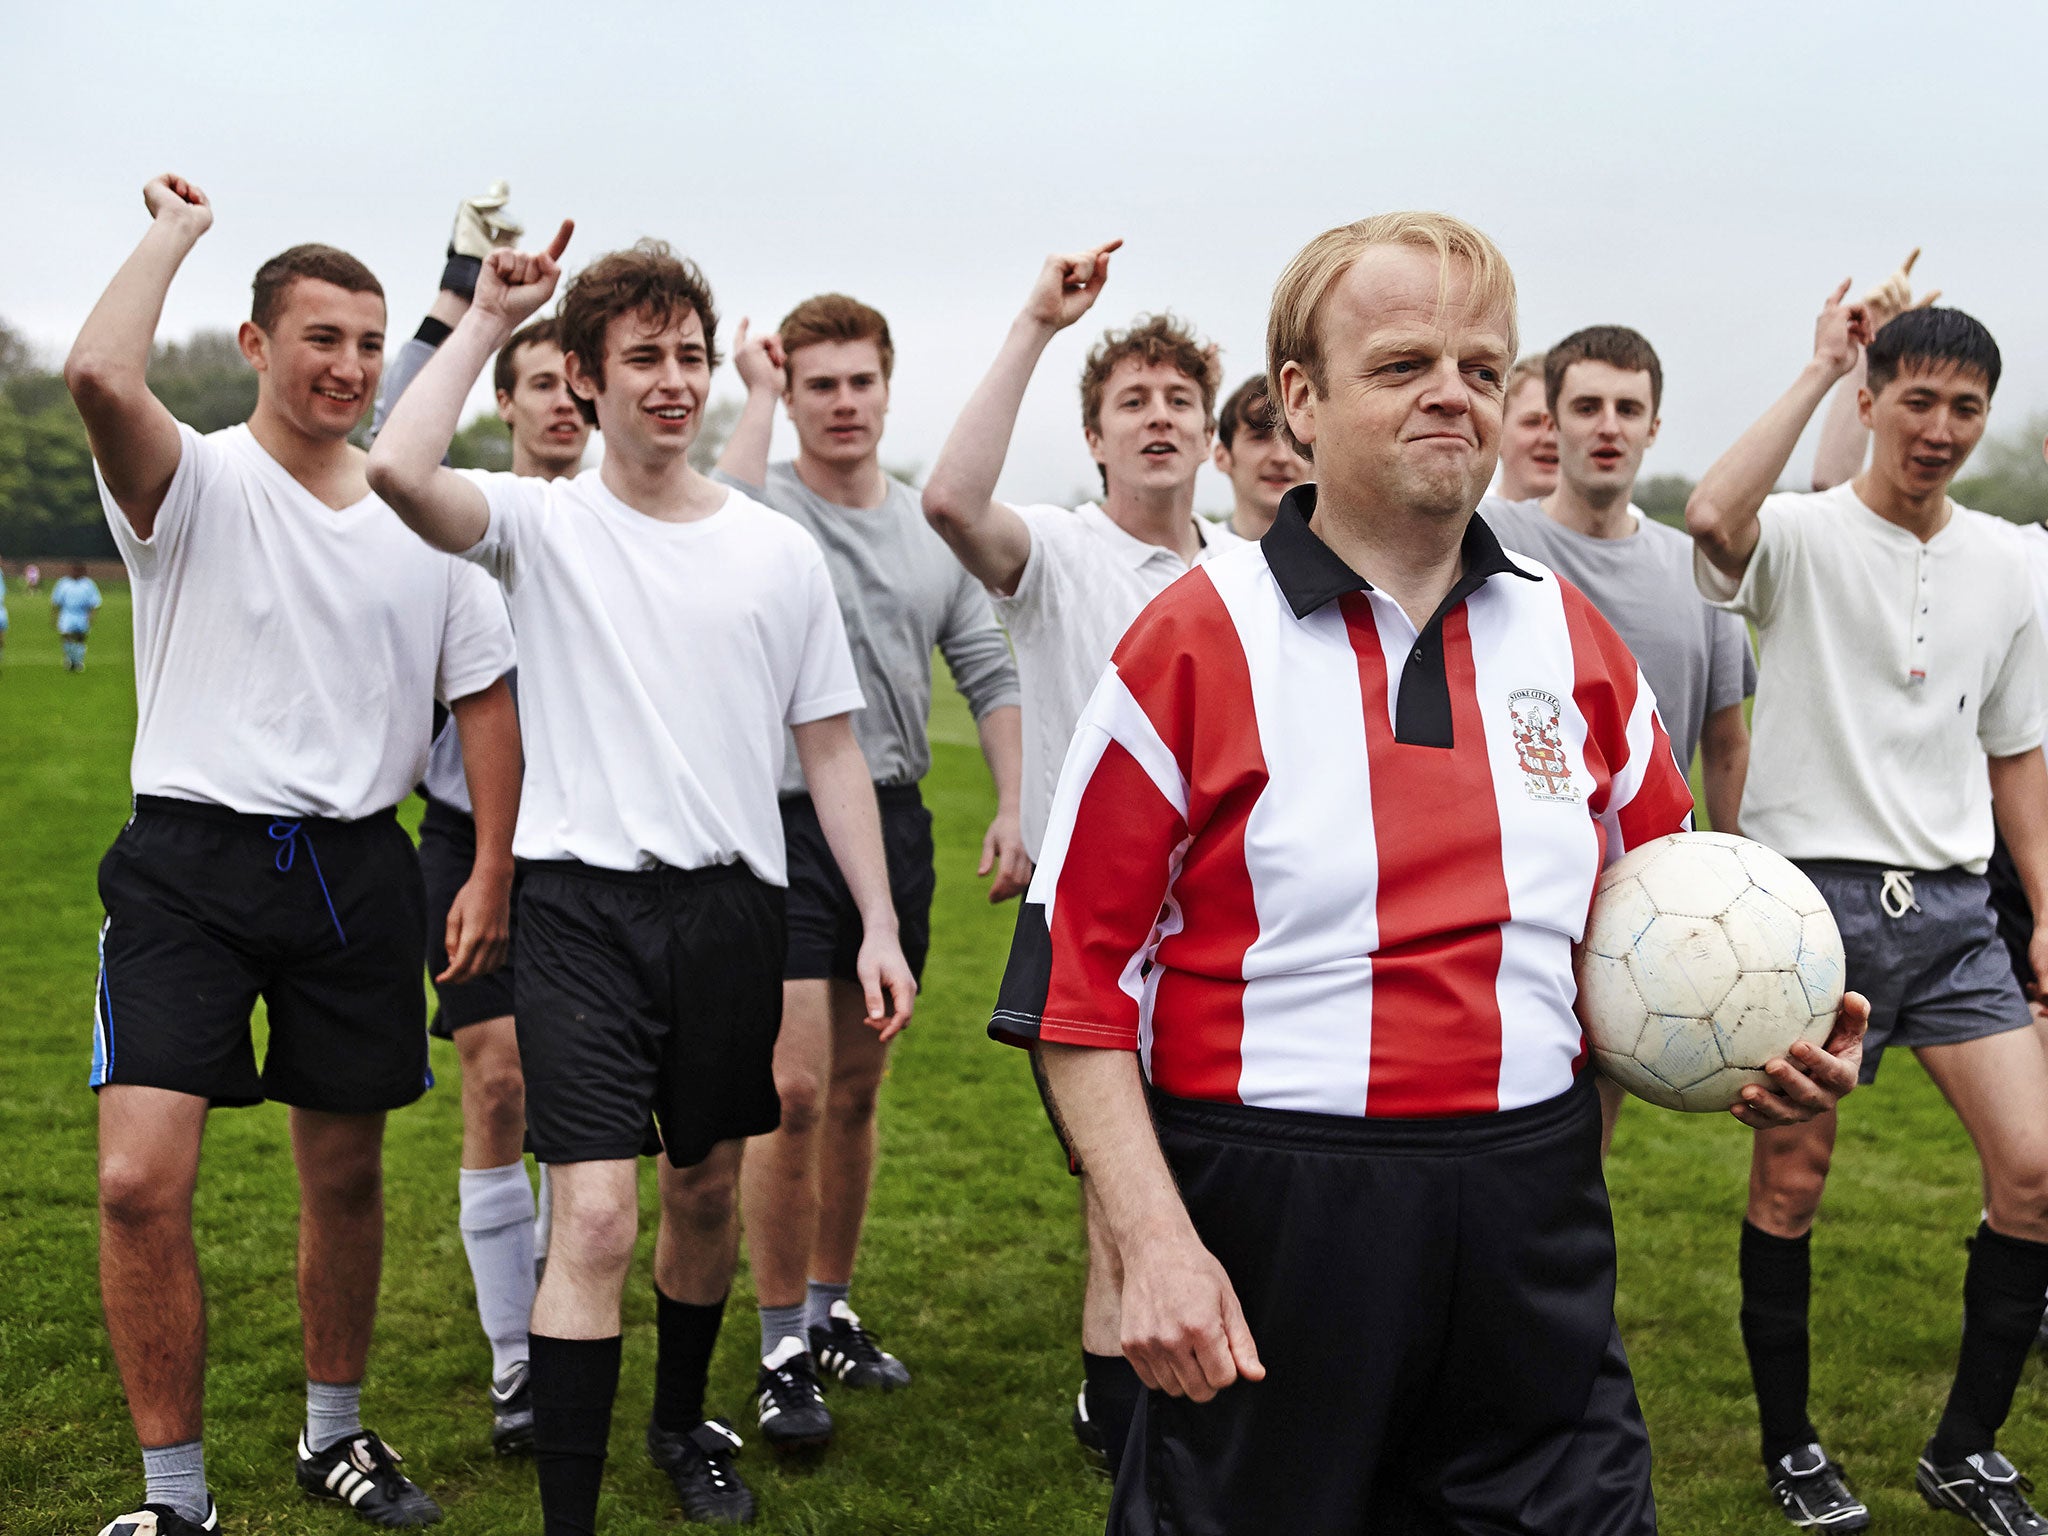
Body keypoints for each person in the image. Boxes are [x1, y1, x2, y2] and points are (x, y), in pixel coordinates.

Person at [995, 210, 1866, 1534]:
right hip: (1274, 1213)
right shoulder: (1189, 642)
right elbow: (1073, 991)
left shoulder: (1574, 644)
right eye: (1403, 363)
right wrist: (1152, 1243)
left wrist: (1767, 1037)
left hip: (1530, 1212)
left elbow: (1675, 919)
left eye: (1480, 366)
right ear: (1301, 399)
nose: (1451, 393)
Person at [367, 228, 918, 1534]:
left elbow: (828, 748)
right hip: (576, 913)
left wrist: (878, 922)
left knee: (704, 1189)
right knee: (599, 1217)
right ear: (586, 378)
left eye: (687, 356)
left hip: (734, 911)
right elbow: (396, 469)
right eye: (641, 359)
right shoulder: (540, 523)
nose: (672, 380)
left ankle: (680, 1426)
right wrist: (487, 317)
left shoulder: (773, 551)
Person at [72, 175, 521, 1536]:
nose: (350, 365)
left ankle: (336, 1435)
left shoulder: (421, 516)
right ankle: (176, 1500)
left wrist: (491, 869)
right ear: (257, 343)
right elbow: (99, 375)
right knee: (136, 1184)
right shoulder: (193, 478)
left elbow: (485, 700)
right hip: (186, 866)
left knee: (344, 1173)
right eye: (322, 337)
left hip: (356, 870)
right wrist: (174, 231)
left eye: (371, 343)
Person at [1689, 292, 2048, 1532]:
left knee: (2034, 1171)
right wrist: (1812, 365)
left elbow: (2014, 749)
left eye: (1965, 407)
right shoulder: (1796, 535)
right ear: (1871, 399)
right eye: (1916, 399)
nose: (1938, 428)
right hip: (1812, 911)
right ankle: (1791, 1450)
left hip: (1953, 917)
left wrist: (2045, 908)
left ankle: (1964, 1450)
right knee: (1790, 1183)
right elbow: (1709, 516)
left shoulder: (2010, 560)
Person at [921, 245, 1238, 1476]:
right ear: (1095, 437)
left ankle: (1183, 1393)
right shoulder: (1056, 553)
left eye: (1179, 400)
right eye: (1131, 402)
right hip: (1091, 923)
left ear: (1208, 434)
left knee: (1206, 1171)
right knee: (1118, 1187)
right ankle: (1122, 1420)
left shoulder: (1247, 574)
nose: (1157, 418)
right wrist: (1034, 325)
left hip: (1220, 922)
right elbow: (951, 501)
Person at [710, 292, 1026, 1447]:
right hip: (776, 826)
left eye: (860, 382)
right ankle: (778, 1344)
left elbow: (987, 665)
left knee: (852, 1093)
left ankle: (828, 1308)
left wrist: (1015, 801)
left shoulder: (921, 528)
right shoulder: (757, 505)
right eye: (818, 385)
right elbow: (712, 534)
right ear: (790, 396)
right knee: (789, 1093)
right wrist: (749, 394)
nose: (843, 404)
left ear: (887, 389)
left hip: (888, 828)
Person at [367, 184, 589, 1459]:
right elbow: (394, 423)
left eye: (575, 384)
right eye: (537, 384)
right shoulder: (454, 511)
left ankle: (562, 1321)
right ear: (502, 401)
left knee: (581, 1107)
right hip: (463, 839)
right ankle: (518, 1360)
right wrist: (464, 289)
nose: (560, 403)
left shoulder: (613, 525)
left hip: (589, 849)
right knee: (496, 1081)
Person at [1481, 327, 1757, 1148]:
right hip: (1513, 892)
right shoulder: (1486, 539)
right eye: (1587, 406)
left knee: (1583, 1151)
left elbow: (1726, 742)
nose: (1608, 426)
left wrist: (1738, 880)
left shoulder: (1697, 574)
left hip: (1643, 905)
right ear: (1550, 419)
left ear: (1654, 426)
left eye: (1629, 409)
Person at [1210, 373, 1311, 540]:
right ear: (1222, 457)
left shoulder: (1344, 554)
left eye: (1294, 437)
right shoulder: (1199, 556)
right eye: (1259, 437)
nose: (1281, 457)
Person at [1495, 351, 1559, 501]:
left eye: (1561, 424)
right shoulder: (1462, 515)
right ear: (1497, 431)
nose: (1550, 438)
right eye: (1533, 422)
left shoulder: (1617, 517)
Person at [51, 560, 104, 670]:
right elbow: (56, 601)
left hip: (82, 614)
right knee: (66, 636)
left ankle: (78, 661)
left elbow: (95, 602)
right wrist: (54, 617)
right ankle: (69, 659)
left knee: (80, 638)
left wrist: (91, 616)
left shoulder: (88, 584)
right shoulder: (63, 583)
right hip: (67, 613)